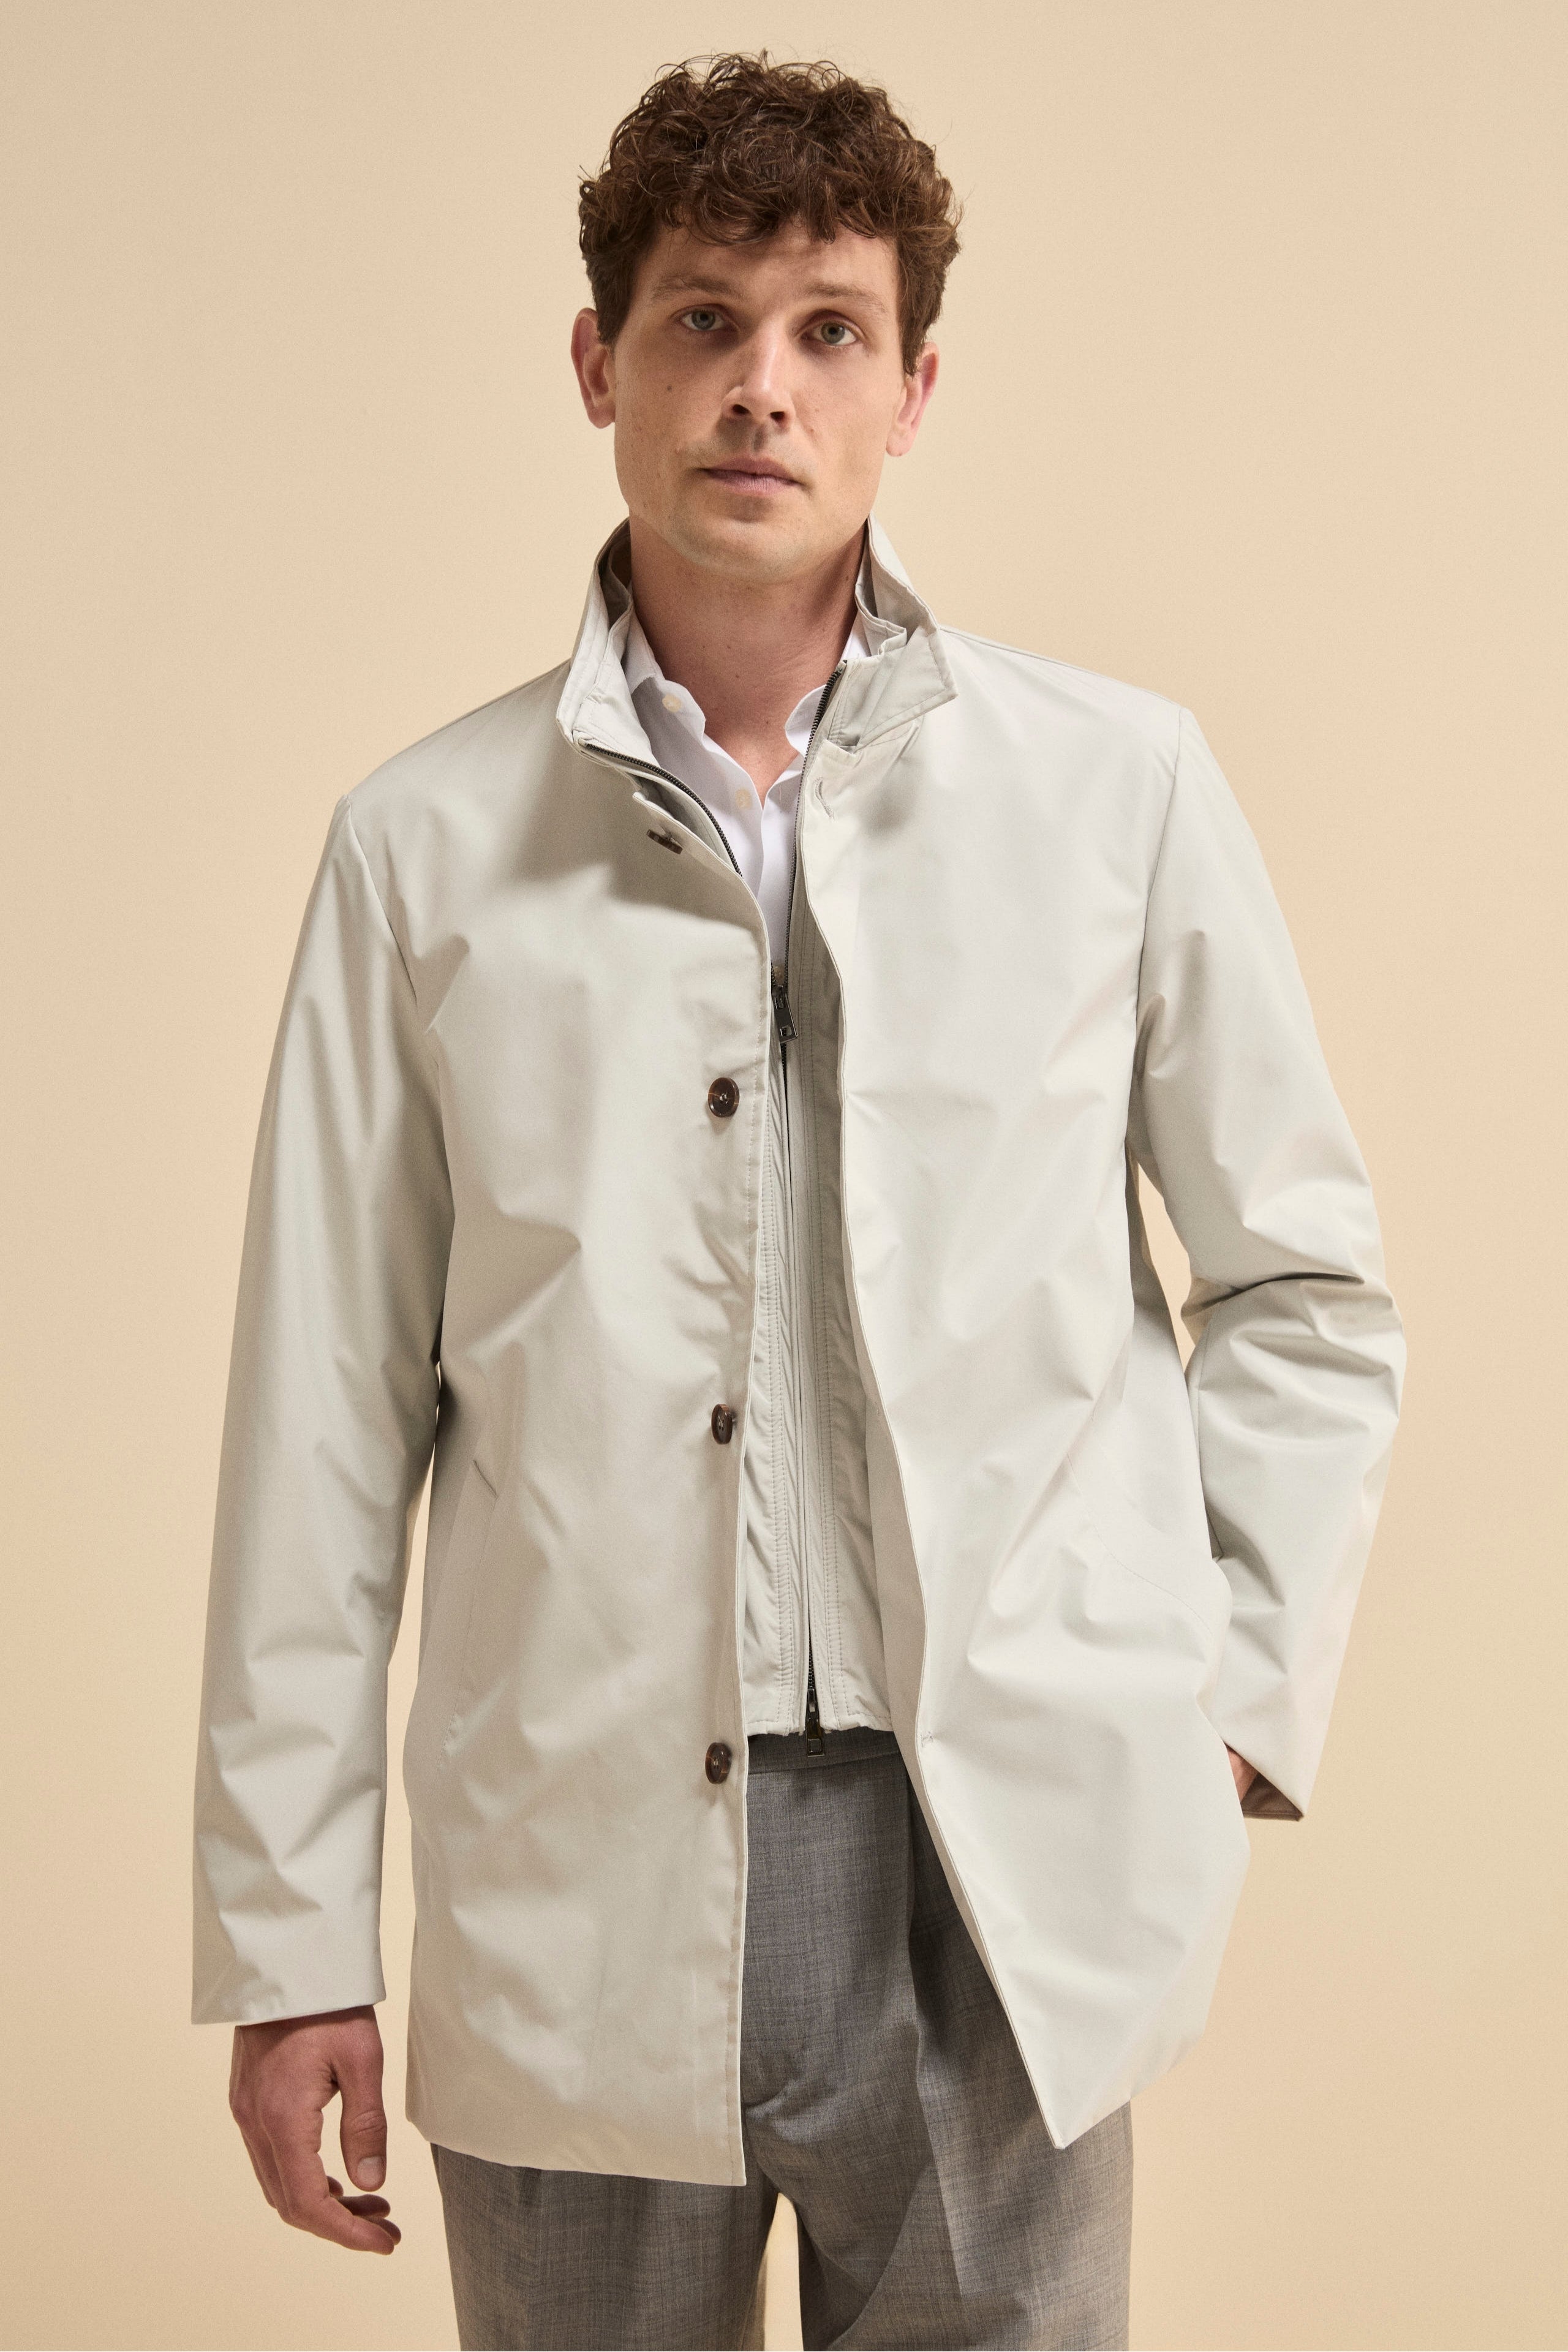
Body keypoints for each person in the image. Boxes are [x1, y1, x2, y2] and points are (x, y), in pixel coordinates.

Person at [194, 52, 1404, 2352]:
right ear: (599, 365)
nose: (764, 386)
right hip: (575, 1878)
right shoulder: (420, 853)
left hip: (998, 1871)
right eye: (703, 320)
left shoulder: (1117, 792)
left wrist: (1233, 1693)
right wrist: (287, 1944)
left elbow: (1303, 1282)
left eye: (830, 329)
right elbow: (321, 1430)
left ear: (913, 388)